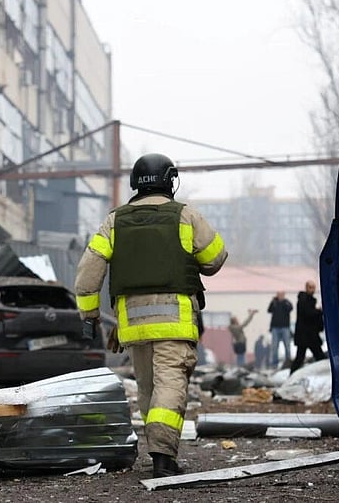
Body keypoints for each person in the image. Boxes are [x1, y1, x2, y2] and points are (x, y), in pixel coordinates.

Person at [74, 153, 228, 478]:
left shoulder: (114, 221)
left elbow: (88, 272)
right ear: (171, 180)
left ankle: (159, 451)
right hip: (174, 323)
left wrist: (90, 314)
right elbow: (216, 259)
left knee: (147, 389)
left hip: (133, 327)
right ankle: (162, 457)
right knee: (170, 386)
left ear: (135, 183)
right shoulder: (185, 216)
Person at [290, 280, 327, 373]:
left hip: (310, 335)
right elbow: (308, 314)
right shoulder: (303, 300)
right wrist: (319, 311)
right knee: (301, 358)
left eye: (313, 288)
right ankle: (291, 375)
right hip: (305, 335)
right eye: (310, 287)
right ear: (306, 288)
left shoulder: (310, 301)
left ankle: (327, 375)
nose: (312, 290)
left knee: (319, 357)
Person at [267, 291, 293, 368]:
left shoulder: (286, 302)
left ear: (284, 295)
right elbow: (269, 310)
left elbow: (290, 308)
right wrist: (273, 302)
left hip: (285, 327)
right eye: (278, 294)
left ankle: (288, 362)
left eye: (281, 294)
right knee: (274, 346)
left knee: (287, 345)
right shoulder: (274, 303)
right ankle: (275, 364)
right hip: (275, 327)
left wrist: (284, 301)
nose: (280, 296)